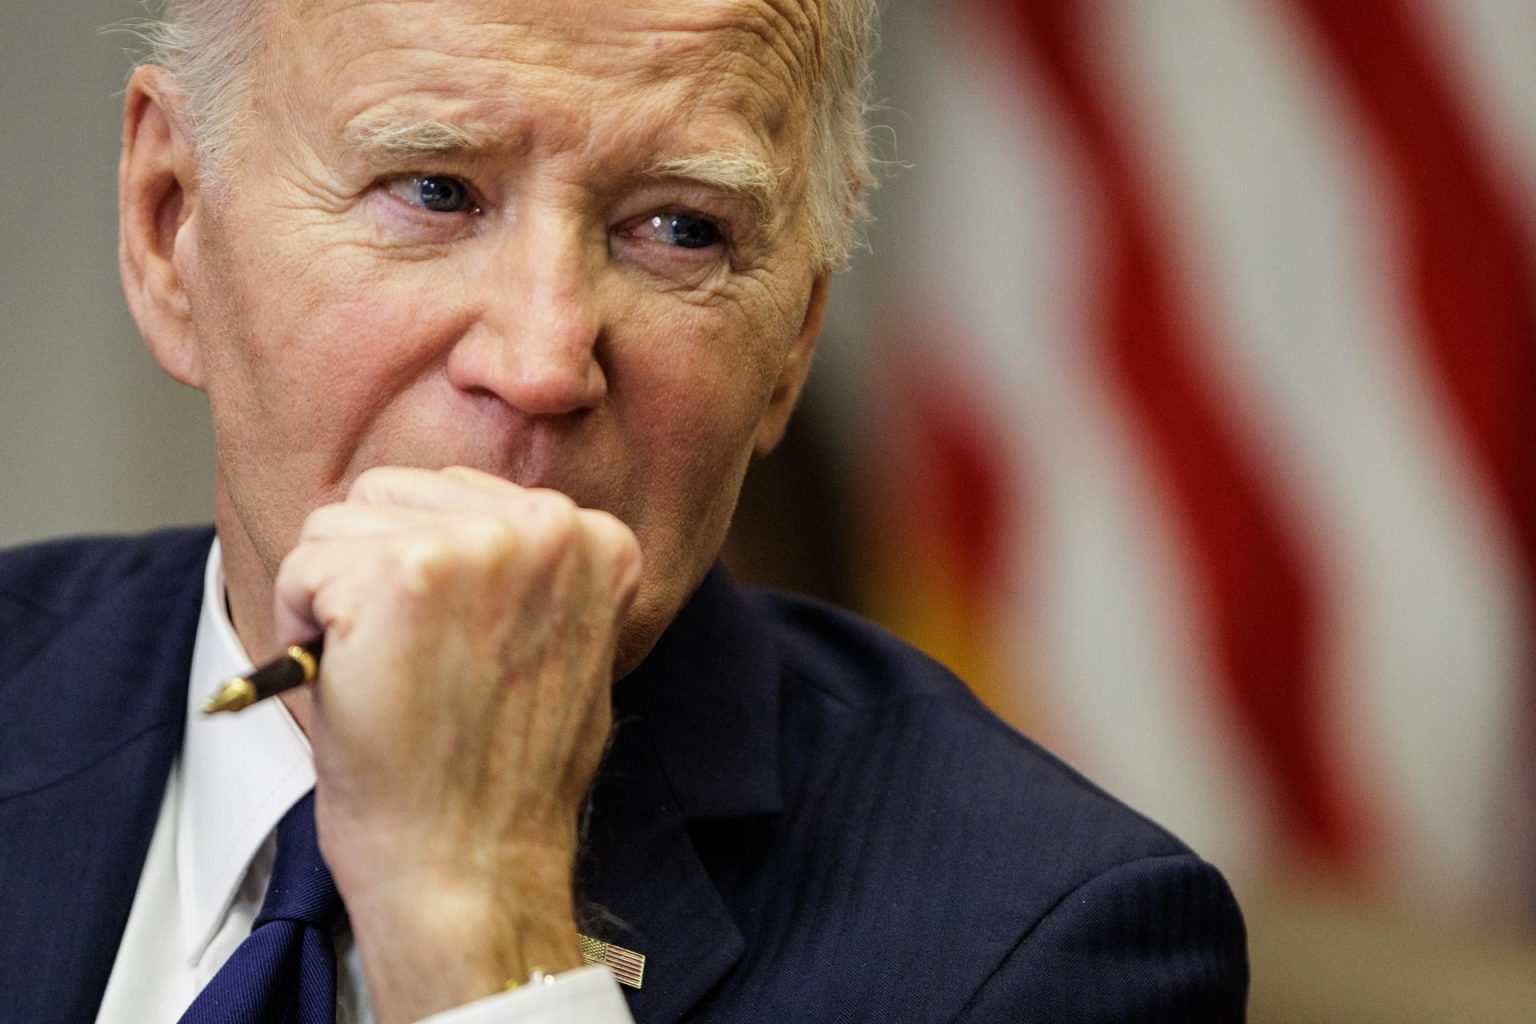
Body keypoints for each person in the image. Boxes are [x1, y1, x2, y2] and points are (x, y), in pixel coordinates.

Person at [0, 0, 1248, 1021]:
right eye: (434, 191)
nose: (545, 359)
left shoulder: (1048, 950)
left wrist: (482, 927)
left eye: (679, 229)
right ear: (172, 227)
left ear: (794, 343)